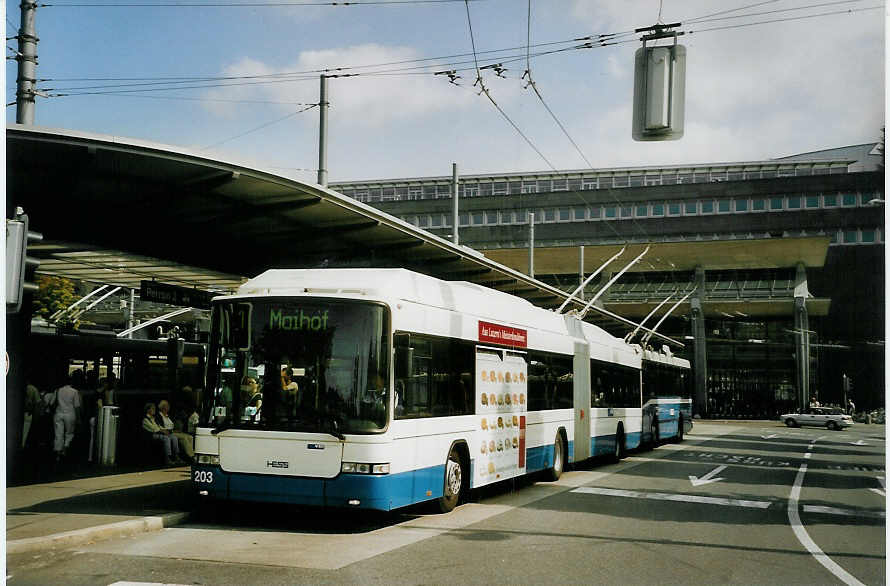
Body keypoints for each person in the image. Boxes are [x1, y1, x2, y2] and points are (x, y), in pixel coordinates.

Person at [53, 370, 83, 464]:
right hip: (70, 414)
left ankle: (58, 452)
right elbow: (77, 406)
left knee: (58, 433)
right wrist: (79, 418)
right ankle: (65, 449)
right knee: (69, 433)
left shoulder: (58, 390)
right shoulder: (74, 392)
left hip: (58, 413)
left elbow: (52, 403)